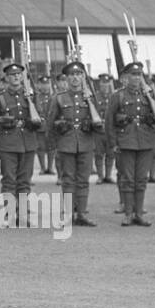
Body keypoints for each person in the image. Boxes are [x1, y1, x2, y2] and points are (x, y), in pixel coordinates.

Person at [105, 62, 155, 226]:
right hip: (126, 141)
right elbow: (109, 121)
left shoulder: (149, 95)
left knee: (141, 179)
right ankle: (129, 213)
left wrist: (152, 98)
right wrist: (113, 143)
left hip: (145, 141)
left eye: (139, 75)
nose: (136, 78)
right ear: (126, 78)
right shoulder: (118, 96)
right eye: (133, 75)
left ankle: (139, 213)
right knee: (128, 179)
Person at [45, 61, 97, 226]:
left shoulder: (90, 97)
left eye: (79, 74)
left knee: (83, 180)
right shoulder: (59, 98)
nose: (75, 78)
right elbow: (50, 122)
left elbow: (98, 121)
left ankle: (81, 214)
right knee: (68, 180)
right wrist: (52, 144)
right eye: (72, 75)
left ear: (83, 77)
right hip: (66, 143)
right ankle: (68, 215)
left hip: (86, 143)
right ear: (66, 78)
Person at [0, 62, 42, 220]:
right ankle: (11, 210)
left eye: (19, 74)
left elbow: (41, 119)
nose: (16, 77)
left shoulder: (31, 97)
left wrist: (34, 122)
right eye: (12, 75)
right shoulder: (0, 99)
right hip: (8, 145)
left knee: (25, 181)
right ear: (6, 78)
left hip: (28, 143)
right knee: (9, 180)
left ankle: (23, 212)